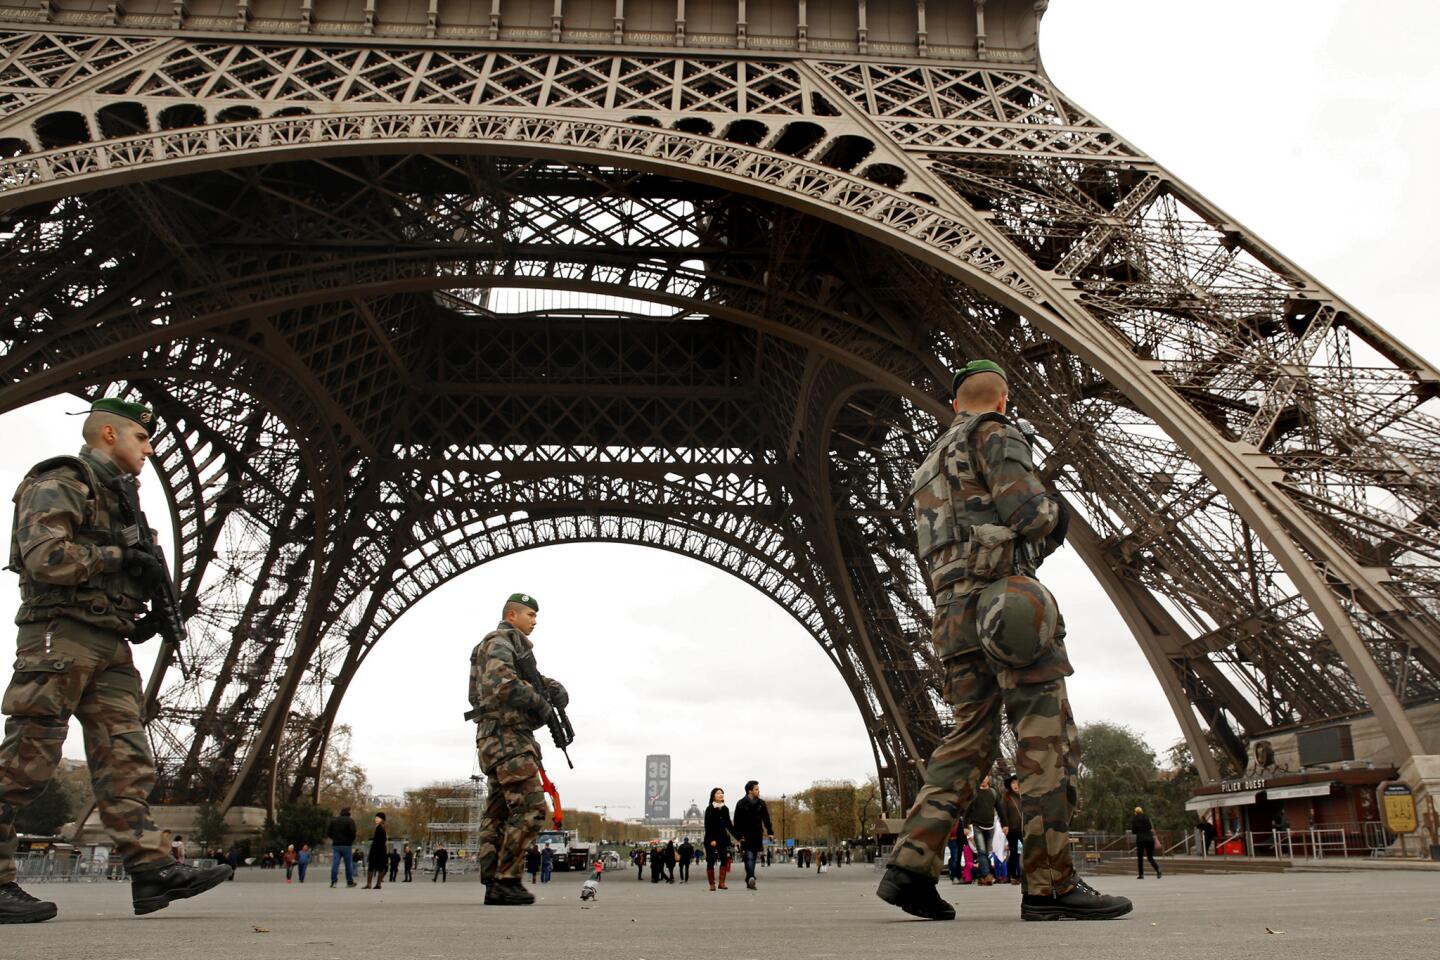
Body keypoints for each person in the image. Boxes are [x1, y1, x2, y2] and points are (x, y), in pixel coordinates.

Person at [876, 361, 1132, 923]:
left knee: (967, 739)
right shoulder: (995, 434)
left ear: (955, 403)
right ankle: (1050, 883)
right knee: (1045, 742)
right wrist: (1056, 511)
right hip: (1004, 606)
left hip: (951, 614)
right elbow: (1029, 513)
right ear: (1003, 399)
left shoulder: (927, 466)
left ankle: (910, 867)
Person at [0, 398, 234, 923]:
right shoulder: (63, 479)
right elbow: (44, 557)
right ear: (109, 433)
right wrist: (118, 558)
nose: (150, 449)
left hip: (109, 642)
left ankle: (152, 872)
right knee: (27, 762)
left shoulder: (124, 499)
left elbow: (114, 572)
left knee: (127, 762)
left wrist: (144, 608)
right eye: (142, 439)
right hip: (60, 637)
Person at [471, 593, 568, 906]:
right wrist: (540, 702)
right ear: (511, 615)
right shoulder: (500, 641)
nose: (535, 620)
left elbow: (522, 681)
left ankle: (494, 883)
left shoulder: (508, 646)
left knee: (497, 813)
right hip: (508, 739)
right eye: (530, 614)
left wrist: (551, 688)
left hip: (496, 738)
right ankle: (507, 879)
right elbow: (504, 683)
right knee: (530, 807)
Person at [732, 780, 774, 890]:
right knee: (749, 856)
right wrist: (738, 836)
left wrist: (770, 832)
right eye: (756, 789)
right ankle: (751, 876)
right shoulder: (740, 803)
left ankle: (749, 878)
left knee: (752, 857)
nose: (758, 791)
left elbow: (766, 819)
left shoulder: (761, 803)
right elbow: (736, 821)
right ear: (750, 791)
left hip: (756, 834)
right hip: (745, 835)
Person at [966, 773, 998, 887]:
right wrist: (965, 825)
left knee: (987, 853)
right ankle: (986, 875)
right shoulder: (974, 793)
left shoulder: (993, 793)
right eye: (982, 777)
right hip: (977, 825)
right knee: (982, 851)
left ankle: (981, 877)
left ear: (988, 779)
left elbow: (999, 808)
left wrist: (1005, 824)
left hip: (990, 825)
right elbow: (967, 809)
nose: (984, 780)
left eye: (985, 777)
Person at [703, 787, 738, 891]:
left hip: (722, 838)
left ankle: (722, 882)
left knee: (724, 858)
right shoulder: (709, 809)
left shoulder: (725, 809)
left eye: (722, 793)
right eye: (718, 793)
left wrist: (738, 837)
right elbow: (707, 826)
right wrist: (712, 839)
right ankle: (712, 884)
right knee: (710, 860)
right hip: (711, 839)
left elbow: (729, 825)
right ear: (713, 796)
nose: (721, 795)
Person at [327, 806, 358, 888]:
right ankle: (349, 882)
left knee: (335, 863)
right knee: (348, 864)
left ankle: (333, 881)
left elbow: (329, 832)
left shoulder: (334, 821)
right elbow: (353, 832)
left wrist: (334, 838)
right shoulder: (350, 821)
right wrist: (350, 841)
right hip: (347, 845)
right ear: (348, 813)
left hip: (336, 845)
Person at [1001, 775, 1023, 885]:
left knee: (1029, 851)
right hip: (1012, 828)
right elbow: (1003, 813)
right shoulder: (1007, 797)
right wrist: (1004, 825)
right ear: (1010, 785)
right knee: (1014, 852)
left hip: (1025, 828)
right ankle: (1012, 875)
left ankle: (1027, 874)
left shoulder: (1025, 796)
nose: (1015, 785)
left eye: (1017, 782)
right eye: (1013, 783)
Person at [1130, 806, 1161, 879]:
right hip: (1149, 839)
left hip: (1140, 840)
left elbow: (1133, 831)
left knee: (1140, 858)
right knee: (1150, 857)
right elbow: (1150, 827)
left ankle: (1141, 875)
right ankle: (1158, 870)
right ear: (1142, 811)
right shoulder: (1147, 818)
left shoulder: (1135, 819)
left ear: (1135, 812)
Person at [364, 812, 387, 889]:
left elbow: (377, 841)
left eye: (378, 818)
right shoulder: (383, 827)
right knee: (381, 867)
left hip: (376, 850)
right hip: (382, 850)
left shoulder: (379, 828)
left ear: (382, 819)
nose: (375, 819)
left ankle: (369, 884)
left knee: (371, 866)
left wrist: (373, 851)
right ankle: (378, 884)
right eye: (376, 817)